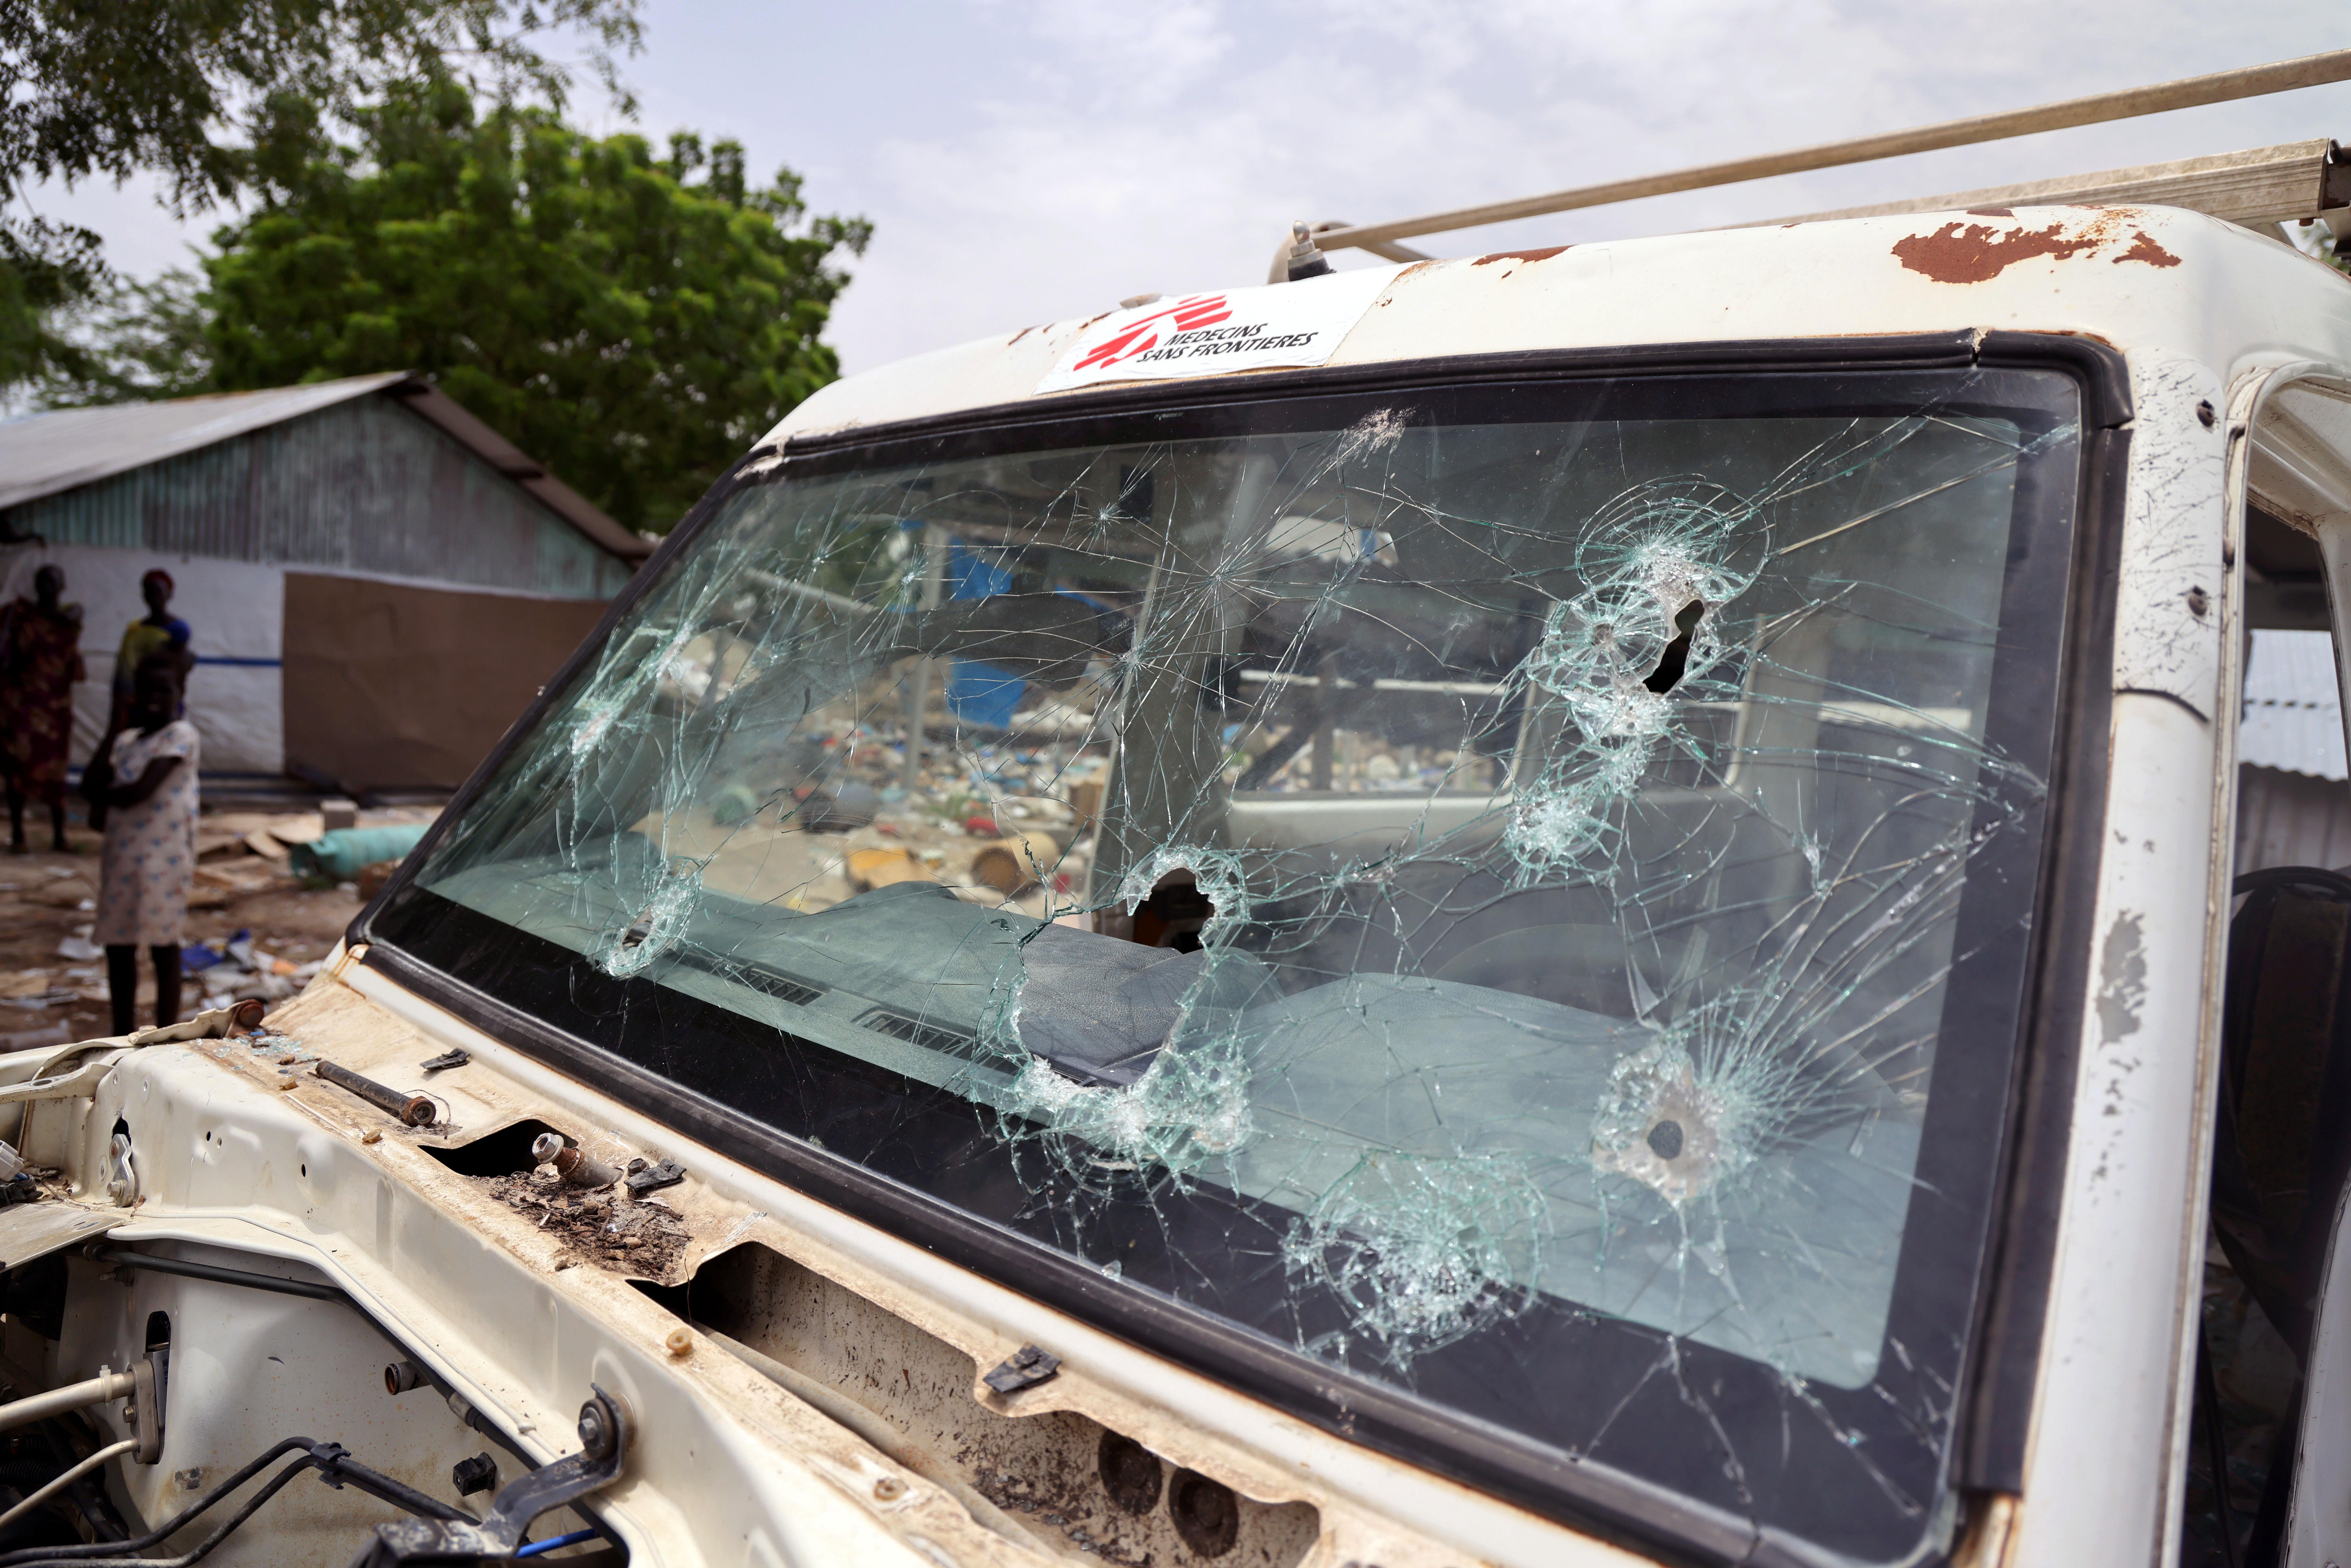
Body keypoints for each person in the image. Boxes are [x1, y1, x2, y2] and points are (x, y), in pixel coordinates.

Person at [93, 664, 199, 1034]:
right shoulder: (125, 742)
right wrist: (113, 725)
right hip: (121, 860)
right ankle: (121, 1033)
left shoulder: (180, 736)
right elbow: (92, 792)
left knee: (163, 945)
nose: (155, 701)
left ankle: (165, 1033)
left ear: (178, 695)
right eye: (146, 693)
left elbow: (138, 791)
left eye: (163, 692)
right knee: (119, 947)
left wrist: (103, 795)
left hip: (164, 859)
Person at [0, 565, 85, 853]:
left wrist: (31, 610)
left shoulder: (67, 614)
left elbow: (69, 620)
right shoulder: (20, 616)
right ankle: (19, 834)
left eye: (52, 581)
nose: (46, 587)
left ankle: (60, 836)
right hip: (24, 703)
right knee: (17, 768)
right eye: (42, 581)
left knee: (55, 771)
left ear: (62, 586)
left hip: (54, 706)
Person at [108, 569, 192, 735]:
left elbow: (178, 668)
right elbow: (125, 665)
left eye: (159, 592)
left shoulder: (178, 629)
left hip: (159, 698)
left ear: (169, 595)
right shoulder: (135, 628)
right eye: (149, 592)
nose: (154, 596)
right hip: (132, 698)